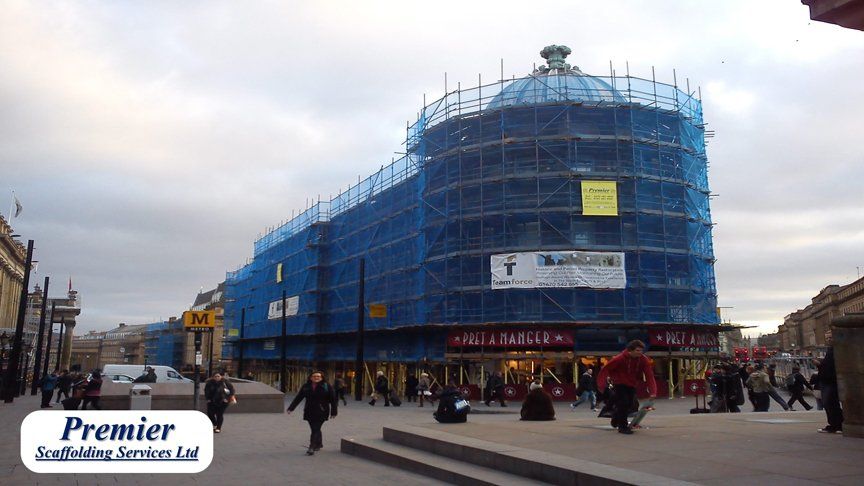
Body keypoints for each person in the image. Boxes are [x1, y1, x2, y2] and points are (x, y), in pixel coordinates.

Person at [597, 340, 657, 435]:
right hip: (619, 383)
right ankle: (622, 426)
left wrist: (653, 391)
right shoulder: (619, 358)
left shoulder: (643, 360)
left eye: (641, 350)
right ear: (630, 350)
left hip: (632, 384)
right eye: (637, 350)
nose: (640, 353)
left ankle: (615, 418)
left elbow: (649, 375)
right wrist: (601, 385)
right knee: (623, 403)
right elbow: (605, 369)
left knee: (630, 404)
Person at [287, 370, 338, 455]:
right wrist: (291, 408)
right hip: (309, 410)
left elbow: (333, 400)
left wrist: (334, 412)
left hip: (322, 411)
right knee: (315, 428)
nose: (316, 378)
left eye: (318, 376)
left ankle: (311, 447)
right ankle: (319, 444)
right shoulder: (306, 386)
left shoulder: (326, 386)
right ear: (310, 378)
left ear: (322, 378)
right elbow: (299, 397)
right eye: (314, 376)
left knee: (315, 428)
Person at [817, 330, 843, 433]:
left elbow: (831, 366)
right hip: (826, 380)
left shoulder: (837, 350)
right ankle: (834, 424)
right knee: (828, 403)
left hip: (831, 380)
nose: (829, 340)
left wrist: (820, 364)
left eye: (830, 337)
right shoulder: (830, 350)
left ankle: (837, 425)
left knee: (830, 403)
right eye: (827, 338)